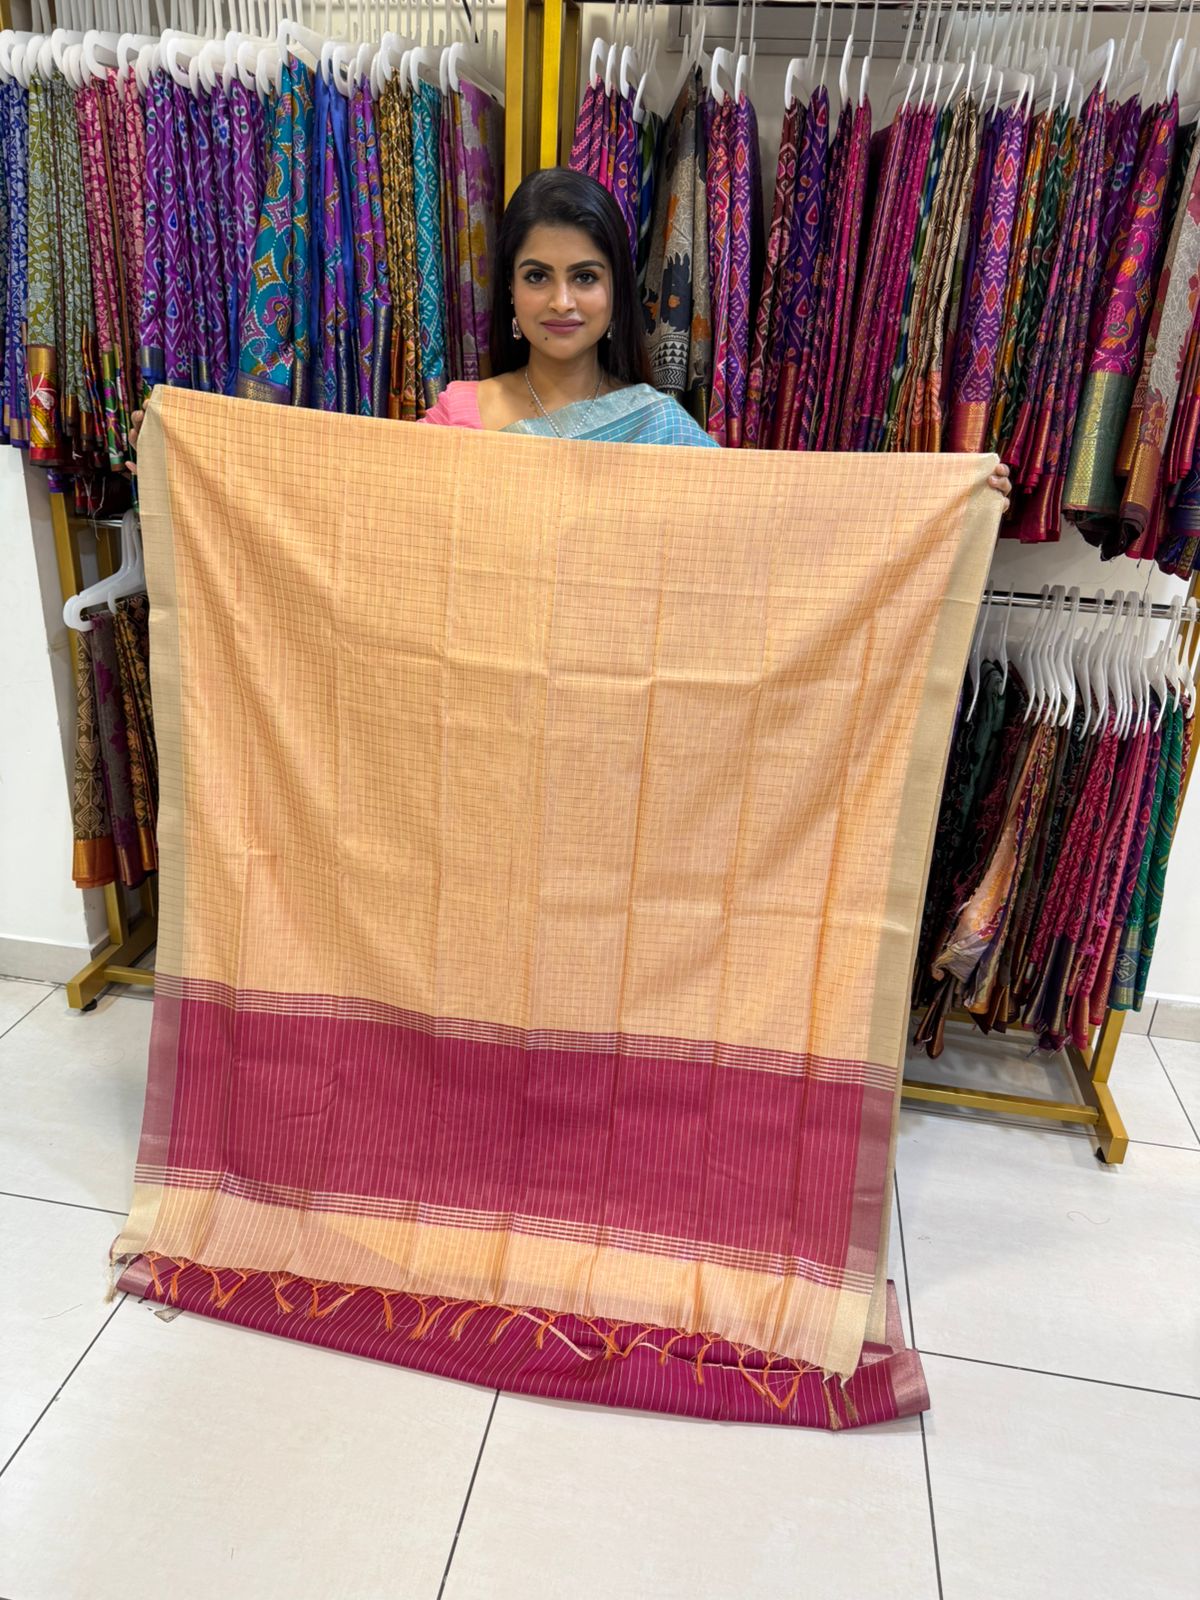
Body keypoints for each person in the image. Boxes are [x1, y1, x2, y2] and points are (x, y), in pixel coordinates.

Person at [126, 164, 1012, 501]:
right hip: (478, 684)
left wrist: (942, 498)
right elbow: (350, 493)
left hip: (608, 695)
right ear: (509, 296)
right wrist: (196, 454)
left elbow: (766, 509)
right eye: (536, 276)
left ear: (617, 292)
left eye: (585, 277)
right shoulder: (461, 414)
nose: (561, 301)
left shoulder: (656, 424)